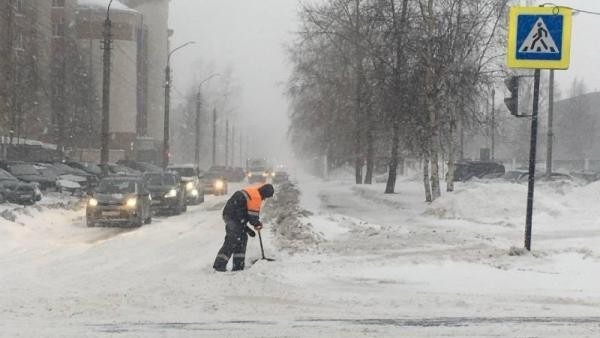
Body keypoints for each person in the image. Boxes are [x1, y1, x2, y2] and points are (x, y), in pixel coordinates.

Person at [213, 183, 275, 272]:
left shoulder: (254, 192)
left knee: (242, 238)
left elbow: (244, 215)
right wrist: (257, 224)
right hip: (232, 216)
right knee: (233, 238)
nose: (265, 199)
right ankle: (219, 265)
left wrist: (247, 229)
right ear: (265, 194)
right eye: (266, 197)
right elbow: (252, 217)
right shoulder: (256, 197)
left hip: (235, 216)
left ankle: (238, 266)